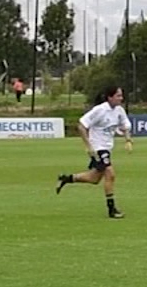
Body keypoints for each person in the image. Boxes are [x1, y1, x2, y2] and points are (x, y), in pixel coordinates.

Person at [56, 85, 133, 218]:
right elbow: (81, 125)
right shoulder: (100, 110)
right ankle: (112, 209)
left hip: (107, 148)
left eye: (121, 95)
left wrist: (128, 140)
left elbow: (125, 125)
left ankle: (66, 178)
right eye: (118, 96)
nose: (121, 98)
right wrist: (89, 146)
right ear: (110, 97)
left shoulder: (119, 111)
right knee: (110, 174)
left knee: (95, 178)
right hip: (98, 148)